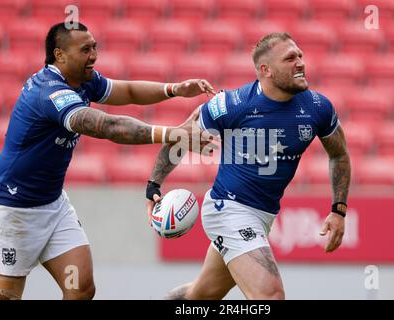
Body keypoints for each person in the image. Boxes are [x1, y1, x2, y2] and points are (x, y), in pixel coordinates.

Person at [0, 22, 216, 300]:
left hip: (52, 204)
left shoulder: (82, 80)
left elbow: (126, 91)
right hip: (14, 209)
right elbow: (105, 126)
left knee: (81, 289)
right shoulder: (50, 92)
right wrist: (173, 133)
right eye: (85, 49)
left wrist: (174, 89)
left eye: (95, 48)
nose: (94, 56)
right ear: (60, 55)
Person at [146, 32, 351, 300]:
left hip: (263, 215)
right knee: (270, 297)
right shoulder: (233, 104)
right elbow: (180, 138)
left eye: (300, 55)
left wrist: (339, 210)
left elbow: (339, 155)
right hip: (228, 209)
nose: (300, 62)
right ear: (265, 70)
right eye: (290, 58)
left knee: (200, 295)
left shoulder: (317, 107)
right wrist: (153, 185)